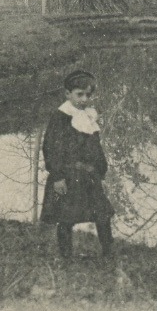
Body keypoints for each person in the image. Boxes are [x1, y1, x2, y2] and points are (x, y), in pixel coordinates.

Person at [41, 70, 114, 261]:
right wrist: (57, 176)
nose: (84, 99)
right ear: (68, 94)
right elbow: (51, 147)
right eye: (79, 94)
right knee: (66, 218)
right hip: (68, 175)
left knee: (102, 214)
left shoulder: (88, 117)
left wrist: (101, 172)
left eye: (88, 95)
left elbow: (95, 147)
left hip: (89, 176)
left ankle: (109, 254)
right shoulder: (61, 117)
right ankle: (66, 257)